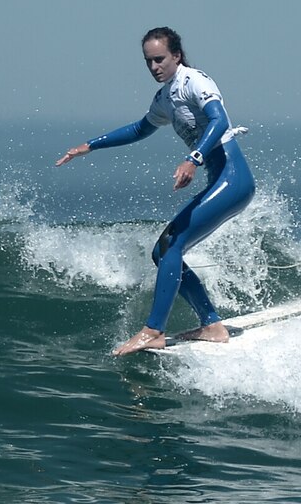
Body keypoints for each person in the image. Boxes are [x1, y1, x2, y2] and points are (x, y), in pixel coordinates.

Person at [56, 27, 255, 356]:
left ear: (176, 55)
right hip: (222, 180)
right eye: (148, 61)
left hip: (233, 179)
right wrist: (89, 146)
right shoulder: (166, 97)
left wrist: (193, 159)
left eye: (159, 59)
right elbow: (139, 129)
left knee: (172, 243)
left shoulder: (195, 81)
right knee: (162, 252)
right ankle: (211, 325)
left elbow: (219, 121)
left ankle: (154, 331)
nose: (153, 67)